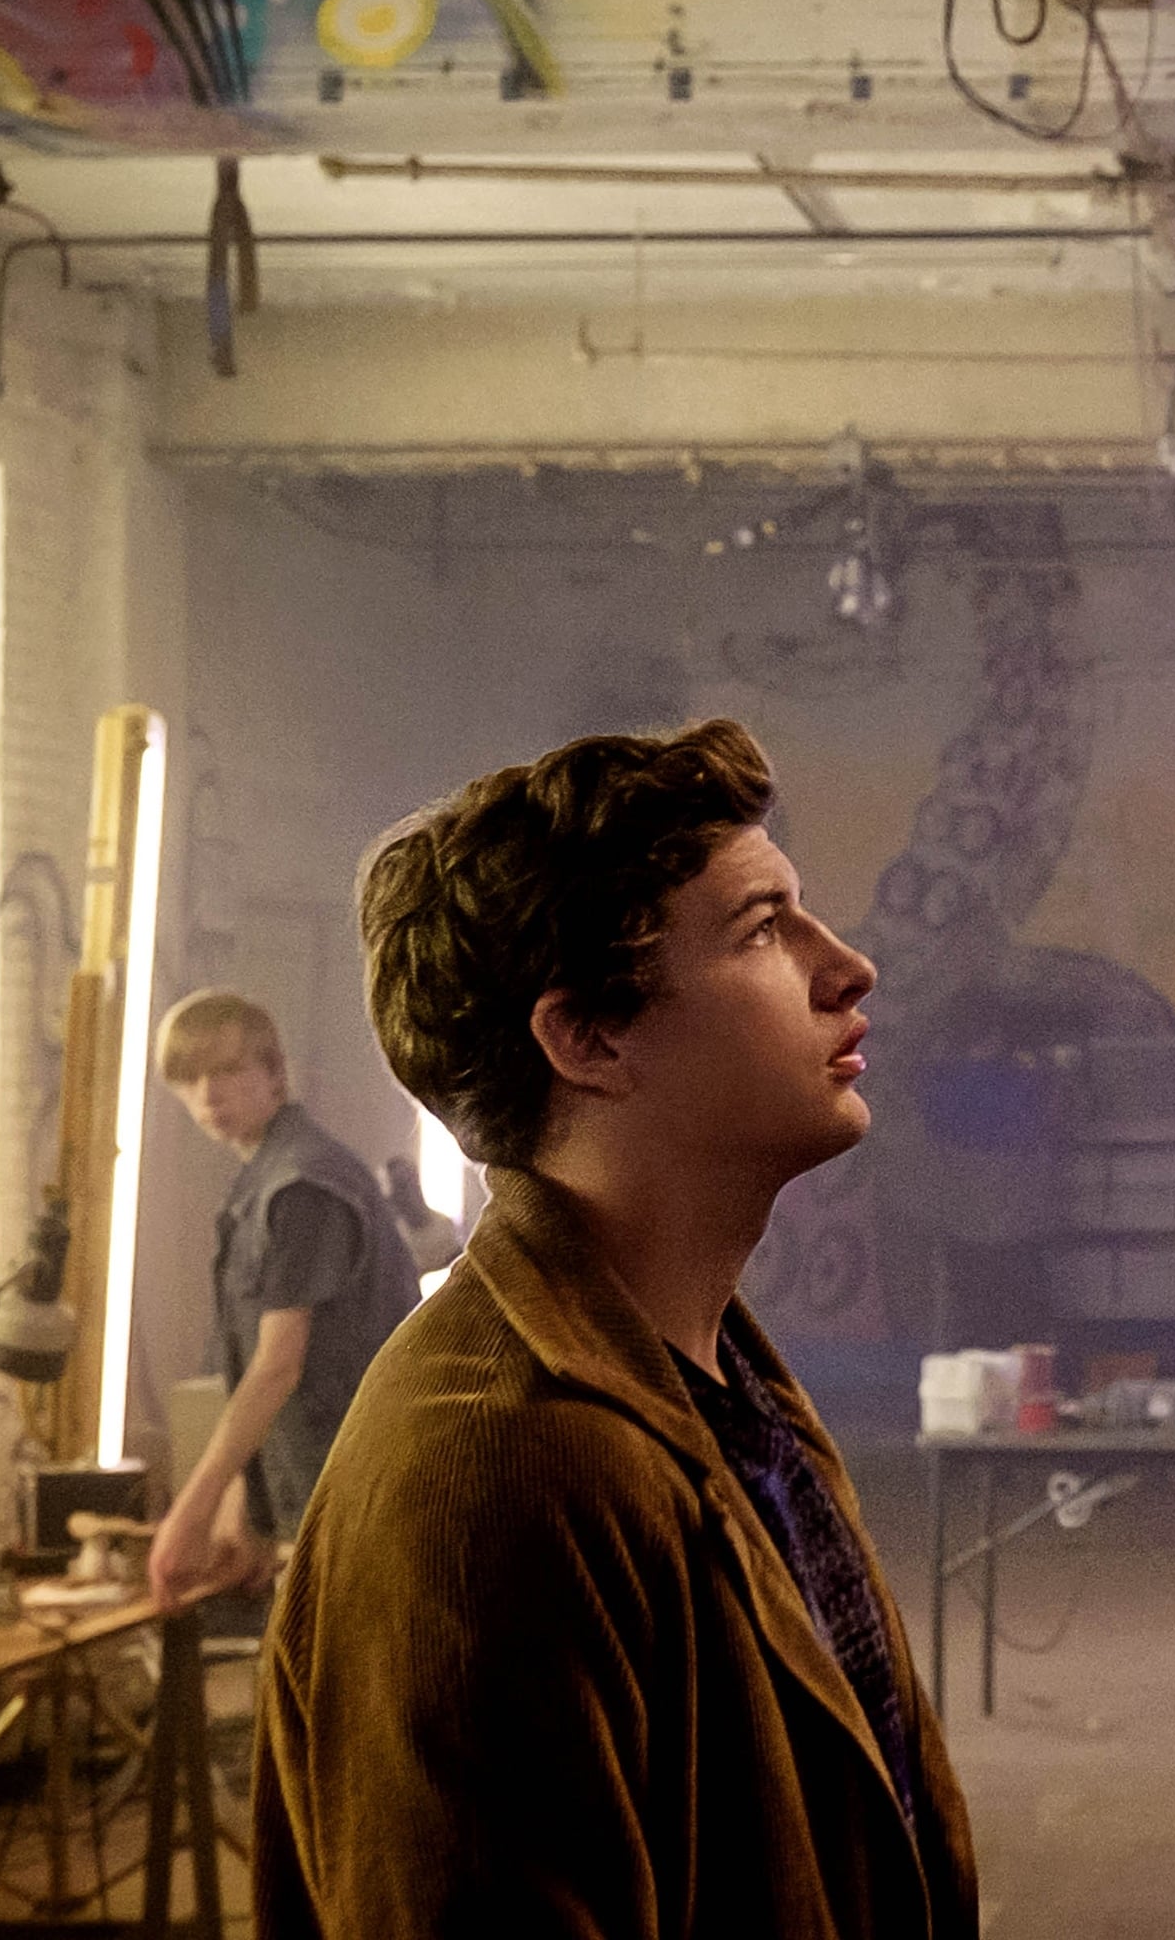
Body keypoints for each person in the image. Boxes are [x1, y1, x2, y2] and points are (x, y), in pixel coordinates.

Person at [254, 721, 973, 1937]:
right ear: (588, 1037)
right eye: (761, 929)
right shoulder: (493, 1480)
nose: (848, 967)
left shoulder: (717, 1382)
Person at [144, 990, 424, 1610]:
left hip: (357, 1491)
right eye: (189, 1078)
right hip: (316, 1492)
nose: (207, 1094)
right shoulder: (264, 1180)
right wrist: (245, 1504)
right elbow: (258, 1370)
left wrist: (193, 1510)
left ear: (274, 1072)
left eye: (226, 1070)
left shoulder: (301, 1187)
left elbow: (278, 1366)